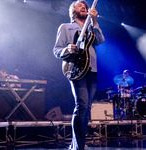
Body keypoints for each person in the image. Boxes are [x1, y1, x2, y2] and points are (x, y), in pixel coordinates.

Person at [53, 0, 104, 149]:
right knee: (81, 105)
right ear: (72, 11)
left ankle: (76, 144)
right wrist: (68, 49)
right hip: (76, 69)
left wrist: (94, 21)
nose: (84, 6)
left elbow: (100, 40)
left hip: (92, 69)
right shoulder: (65, 27)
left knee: (87, 108)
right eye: (79, 5)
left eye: (85, 6)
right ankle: (78, 146)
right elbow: (57, 50)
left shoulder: (91, 28)